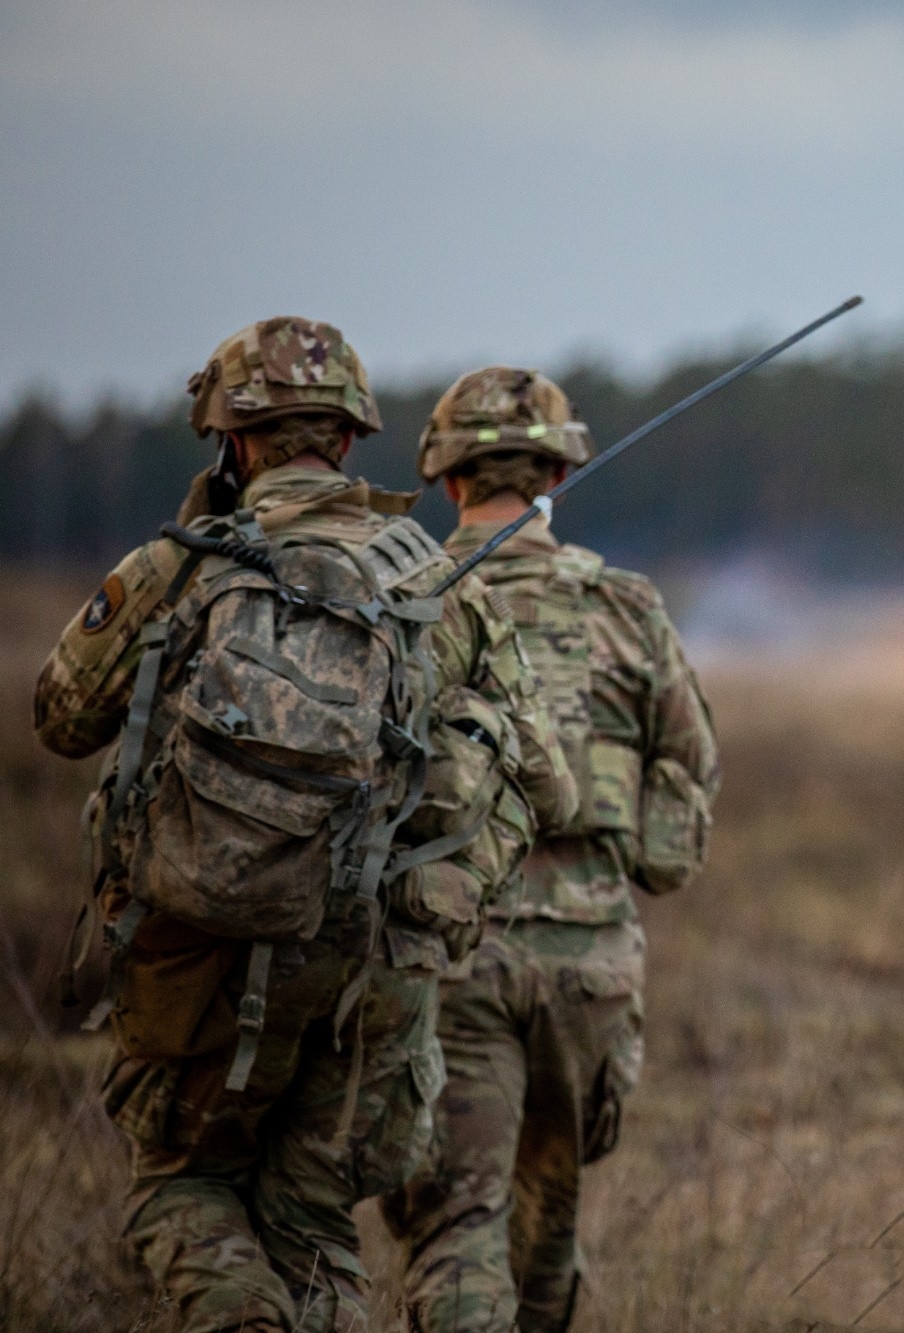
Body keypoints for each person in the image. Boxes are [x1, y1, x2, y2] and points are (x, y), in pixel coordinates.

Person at [34, 317, 576, 1333]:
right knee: (313, 1219)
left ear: (230, 439)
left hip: (192, 952)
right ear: (348, 438)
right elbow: (553, 788)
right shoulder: (431, 579)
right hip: (364, 972)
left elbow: (60, 717)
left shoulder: (180, 563)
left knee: (180, 1188)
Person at [383, 366, 720, 1332]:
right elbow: (688, 773)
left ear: (447, 478)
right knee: (546, 1223)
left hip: (450, 961)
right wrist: (619, 864)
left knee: (458, 1224)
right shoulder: (626, 606)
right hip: (590, 969)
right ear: (559, 476)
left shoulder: (408, 603)